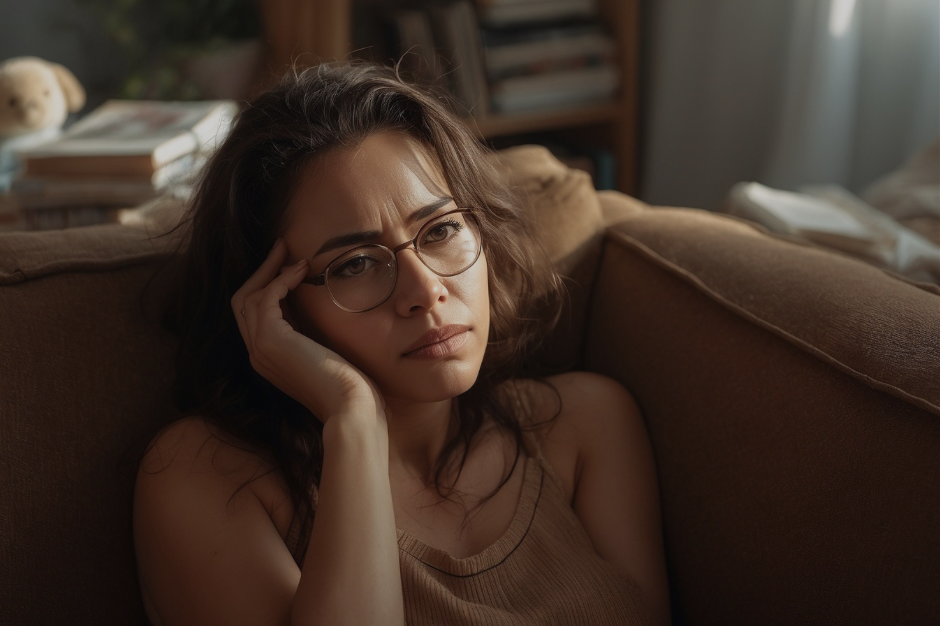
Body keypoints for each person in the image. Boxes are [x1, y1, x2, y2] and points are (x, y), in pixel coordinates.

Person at [133, 62, 670, 626]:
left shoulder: (586, 426)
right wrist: (354, 418)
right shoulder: (203, 477)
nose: (425, 290)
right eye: (357, 263)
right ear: (278, 305)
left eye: (440, 230)